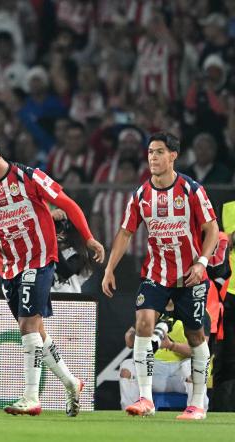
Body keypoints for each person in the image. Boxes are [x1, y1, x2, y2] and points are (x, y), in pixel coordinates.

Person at [0, 134, 104, 416]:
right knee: (36, 330)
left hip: (38, 259)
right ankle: (71, 382)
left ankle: (30, 398)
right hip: (7, 266)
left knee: (28, 325)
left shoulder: (29, 177)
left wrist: (88, 238)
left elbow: (67, 204)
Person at [102, 132, 219, 420]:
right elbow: (126, 232)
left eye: (159, 152)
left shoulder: (191, 190)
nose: (152, 157)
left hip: (189, 277)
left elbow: (212, 230)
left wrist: (202, 262)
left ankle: (197, 405)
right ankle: (145, 400)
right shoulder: (141, 195)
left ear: (173, 156)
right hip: (156, 274)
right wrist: (109, 268)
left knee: (195, 335)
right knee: (143, 323)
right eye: (150, 152)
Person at [120, 303, 210, 411]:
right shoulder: (152, 310)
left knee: (192, 367)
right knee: (127, 367)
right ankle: (131, 414)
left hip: (181, 374)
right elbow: (129, 341)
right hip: (155, 371)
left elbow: (201, 351)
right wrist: (142, 336)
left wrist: (171, 345)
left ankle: (198, 410)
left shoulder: (197, 311)